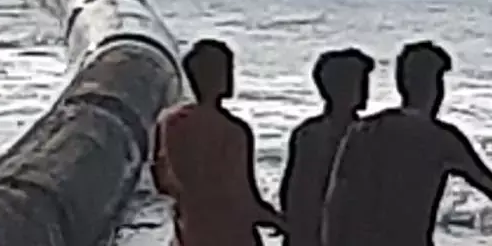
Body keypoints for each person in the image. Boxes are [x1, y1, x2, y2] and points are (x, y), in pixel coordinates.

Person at [322, 40, 492, 246]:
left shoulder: (362, 130)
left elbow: (336, 204)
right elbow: (486, 182)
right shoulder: (441, 138)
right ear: (436, 86)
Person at [152, 38, 287, 246]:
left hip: (188, 233)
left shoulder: (168, 123)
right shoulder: (233, 131)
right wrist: (281, 222)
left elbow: (161, 181)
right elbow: (244, 198)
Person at [278, 48, 375, 246]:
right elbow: (296, 192)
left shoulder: (308, 133)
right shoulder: (366, 135)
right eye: (360, 82)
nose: (366, 90)